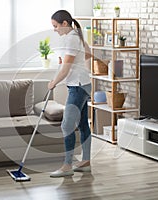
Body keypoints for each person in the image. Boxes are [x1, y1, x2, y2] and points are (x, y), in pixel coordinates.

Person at [48, 10, 92, 178]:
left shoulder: (72, 38)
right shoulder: (76, 36)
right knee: (82, 125)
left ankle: (67, 166)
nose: (54, 29)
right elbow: (87, 53)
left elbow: (65, 70)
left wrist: (53, 82)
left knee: (66, 125)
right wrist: (74, 63)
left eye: (55, 26)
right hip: (83, 84)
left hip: (78, 87)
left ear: (64, 24)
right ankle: (86, 162)